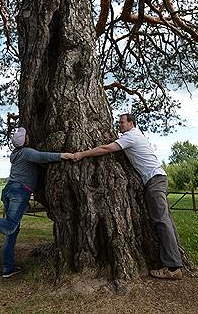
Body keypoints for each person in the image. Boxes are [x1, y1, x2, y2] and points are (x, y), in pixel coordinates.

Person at [73, 113, 183, 279]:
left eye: (122, 122)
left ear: (131, 123)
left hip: (154, 181)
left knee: (162, 222)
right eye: (119, 122)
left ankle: (173, 268)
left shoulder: (131, 136)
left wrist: (82, 154)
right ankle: (174, 262)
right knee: (165, 221)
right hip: (157, 179)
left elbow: (106, 149)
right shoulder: (134, 136)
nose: (119, 124)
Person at [0, 126, 74, 278]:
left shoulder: (16, 154)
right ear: (25, 140)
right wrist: (65, 155)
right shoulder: (27, 152)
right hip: (19, 192)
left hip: (9, 190)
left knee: (12, 232)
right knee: (9, 227)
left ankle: (8, 268)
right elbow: (43, 156)